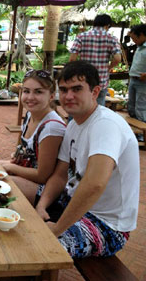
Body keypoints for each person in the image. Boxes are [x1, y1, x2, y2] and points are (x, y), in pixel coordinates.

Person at [35, 61, 139, 258]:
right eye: (64, 90)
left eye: (77, 89)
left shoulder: (105, 124)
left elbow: (95, 184)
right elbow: (60, 175)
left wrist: (57, 229)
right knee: (12, 193)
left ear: (95, 92)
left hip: (106, 225)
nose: (68, 96)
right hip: (71, 202)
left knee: (41, 247)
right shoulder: (74, 124)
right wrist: (41, 205)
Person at [2, 70, 66, 205]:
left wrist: (10, 168)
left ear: (51, 96)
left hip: (48, 192)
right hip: (30, 178)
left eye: (38, 92)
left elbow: (42, 176)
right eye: (26, 91)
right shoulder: (31, 115)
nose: (30, 97)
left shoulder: (51, 127)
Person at [69, 14, 121, 106]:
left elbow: (72, 59)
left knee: (78, 105)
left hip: (83, 79)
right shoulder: (112, 38)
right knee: (97, 109)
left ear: (94, 24)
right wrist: (108, 67)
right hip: (101, 81)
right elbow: (117, 58)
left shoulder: (81, 36)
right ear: (107, 25)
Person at [127, 24, 146, 125]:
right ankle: (133, 131)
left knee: (141, 108)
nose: (133, 41)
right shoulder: (139, 46)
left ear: (142, 35)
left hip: (143, 82)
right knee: (131, 107)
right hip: (134, 80)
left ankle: (142, 134)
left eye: (135, 38)